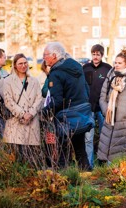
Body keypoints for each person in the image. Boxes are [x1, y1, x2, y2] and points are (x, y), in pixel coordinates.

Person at [42, 42, 91, 170]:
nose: (44, 58)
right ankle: (86, 177)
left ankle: (64, 178)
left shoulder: (56, 73)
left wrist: (44, 112)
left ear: (54, 55)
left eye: (45, 55)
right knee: (80, 148)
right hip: (81, 114)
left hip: (66, 117)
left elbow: (57, 101)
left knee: (63, 151)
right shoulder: (77, 67)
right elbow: (86, 88)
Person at [2, 53, 43, 166]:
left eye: (25, 63)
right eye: (20, 63)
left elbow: (39, 99)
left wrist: (30, 113)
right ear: (15, 65)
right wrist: (22, 114)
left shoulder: (34, 81)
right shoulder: (8, 81)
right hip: (15, 121)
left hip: (32, 120)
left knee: (31, 156)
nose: (23, 65)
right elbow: (8, 101)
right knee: (15, 155)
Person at [83, 44, 112, 170]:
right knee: (88, 138)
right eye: (93, 54)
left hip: (102, 108)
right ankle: (89, 164)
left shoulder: (107, 69)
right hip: (89, 108)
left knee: (104, 136)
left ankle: (104, 161)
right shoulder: (85, 68)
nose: (95, 57)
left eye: (98, 54)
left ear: (102, 55)